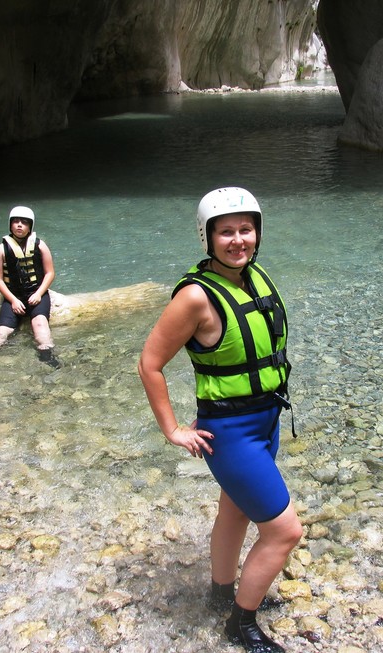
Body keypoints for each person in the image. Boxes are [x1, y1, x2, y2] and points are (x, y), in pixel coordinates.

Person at [138, 187, 302, 653]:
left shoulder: (253, 276)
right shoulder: (194, 297)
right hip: (231, 433)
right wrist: (172, 429)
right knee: (285, 530)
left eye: (245, 230)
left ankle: (220, 593)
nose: (238, 240)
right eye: (226, 232)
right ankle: (240, 624)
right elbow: (150, 363)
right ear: (207, 238)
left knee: (234, 511)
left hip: (265, 422)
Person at [0, 206, 60, 370]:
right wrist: (12, 300)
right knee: (1, 332)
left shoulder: (40, 246)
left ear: (30, 226)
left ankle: (47, 356)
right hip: (14, 297)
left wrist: (39, 294)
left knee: (40, 325)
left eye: (24, 222)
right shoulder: (1, 249)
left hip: (37, 295)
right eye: (16, 222)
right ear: (10, 225)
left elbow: (50, 273)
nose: (19, 225)